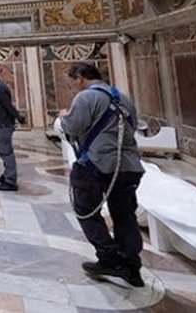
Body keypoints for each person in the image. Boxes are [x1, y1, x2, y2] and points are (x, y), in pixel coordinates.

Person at [59, 62, 145, 287]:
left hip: (97, 165)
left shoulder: (86, 98)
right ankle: (131, 265)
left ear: (80, 77)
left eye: (71, 83)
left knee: (86, 210)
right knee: (125, 216)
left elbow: (72, 128)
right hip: (128, 166)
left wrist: (64, 116)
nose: (72, 88)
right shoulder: (123, 98)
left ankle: (109, 257)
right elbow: (132, 127)